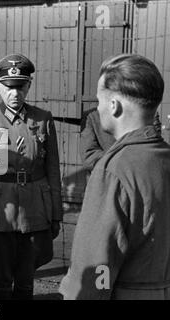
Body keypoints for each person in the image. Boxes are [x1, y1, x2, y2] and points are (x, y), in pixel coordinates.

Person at [60, 54, 170, 300]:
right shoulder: (163, 158)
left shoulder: (114, 169)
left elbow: (99, 261)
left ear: (114, 106)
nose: (97, 107)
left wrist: (88, 293)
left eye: (100, 100)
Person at [0, 54, 63, 300]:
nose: (15, 93)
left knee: (25, 281)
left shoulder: (43, 119)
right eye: (8, 87)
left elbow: (53, 169)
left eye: (20, 86)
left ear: (29, 85)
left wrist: (55, 214)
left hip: (35, 210)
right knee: (0, 281)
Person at [81, 108, 162, 173]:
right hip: (104, 185)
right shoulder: (93, 117)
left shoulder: (146, 113)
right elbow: (89, 157)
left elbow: (153, 145)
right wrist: (124, 162)